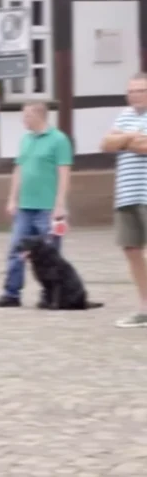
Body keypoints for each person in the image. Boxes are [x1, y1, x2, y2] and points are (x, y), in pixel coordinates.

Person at [0, 102, 73, 308]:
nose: (23, 120)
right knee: (16, 248)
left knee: (50, 254)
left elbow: (64, 174)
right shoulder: (25, 140)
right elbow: (19, 170)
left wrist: (60, 204)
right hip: (25, 207)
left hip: (47, 208)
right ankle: (11, 293)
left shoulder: (59, 140)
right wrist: (12, 198)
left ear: (39, 116)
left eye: (26, 116)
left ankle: (50, 294)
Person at [100, 72, 147, 327]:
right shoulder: (124, 115)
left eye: (140, 91)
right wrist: (129, 139)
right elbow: (106, 144)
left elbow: (145, 147)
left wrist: (123, 139)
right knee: (132, 249)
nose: (135, 95)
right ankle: (144, 307)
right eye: (132, 91)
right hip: (126, 193)